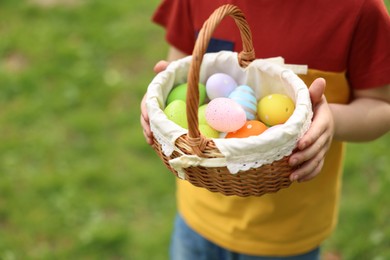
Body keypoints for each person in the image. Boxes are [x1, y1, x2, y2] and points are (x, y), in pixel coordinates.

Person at [140, 0, 390, 259]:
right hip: (199, 212)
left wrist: (332, 120)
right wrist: (157, 97)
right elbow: (178, 73)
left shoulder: (358, 9)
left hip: (287, 232)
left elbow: (381, 106)